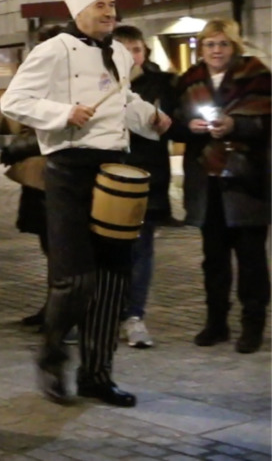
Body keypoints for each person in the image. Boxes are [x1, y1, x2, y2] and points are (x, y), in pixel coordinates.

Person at [1, 0, 171, 408]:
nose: (110, 11)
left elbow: (123, 101)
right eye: (101, 5)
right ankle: (52, 356)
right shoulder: (54, 49)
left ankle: (98, 374)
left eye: (112, 4)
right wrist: (63, 113)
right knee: (75, 279)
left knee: (114, 279)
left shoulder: (118, 53)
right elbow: (15, 101)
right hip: (70, 171)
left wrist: (151, 119)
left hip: (114, 169)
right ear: (79, 9)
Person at [173, 19, 269, 354]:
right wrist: (190, 126)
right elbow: (173, 123)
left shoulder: (257, 75)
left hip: (246, 180)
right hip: (206, 179)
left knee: (251, 259)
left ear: (235, 46)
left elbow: (267, 122)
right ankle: (216, 323)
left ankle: (252, 326)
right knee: (213, 259)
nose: (216, 50)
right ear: (201, 48)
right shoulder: (189, 80)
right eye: (210, 44)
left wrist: (234, 125)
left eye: (223, 44)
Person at [110, 25, 177, 349]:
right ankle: (106, 313)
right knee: (107, 252)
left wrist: (164, 121)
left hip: (147, 177)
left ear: (144, 51)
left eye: (136, 50)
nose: (131, 57)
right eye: (123, 50)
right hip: (107, 178)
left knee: (141, 251)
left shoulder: (162, 84)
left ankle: (134, 315)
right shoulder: (100, 83)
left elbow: (174, 123)